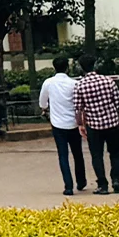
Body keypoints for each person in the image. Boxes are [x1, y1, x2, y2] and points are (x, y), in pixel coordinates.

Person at [72, 55, 119, 194]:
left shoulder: (80, 85)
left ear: (81, 67)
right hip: (113, 123)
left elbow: (78, 108)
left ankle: (102, 184)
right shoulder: (108, 81)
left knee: (97, 156)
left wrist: (80, 125)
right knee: (115, 153)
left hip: (94, 126)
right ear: (95, 65)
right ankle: (116, 180)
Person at [38, 57, 86, 196]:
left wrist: (45, 108)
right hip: (73, 123)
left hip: (58, 124)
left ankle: (68, 186)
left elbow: (43, 102)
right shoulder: (74, 83)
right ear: (67, 68)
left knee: (63, 155)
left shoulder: (48, 83)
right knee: (78, 153)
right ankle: (81, 181)